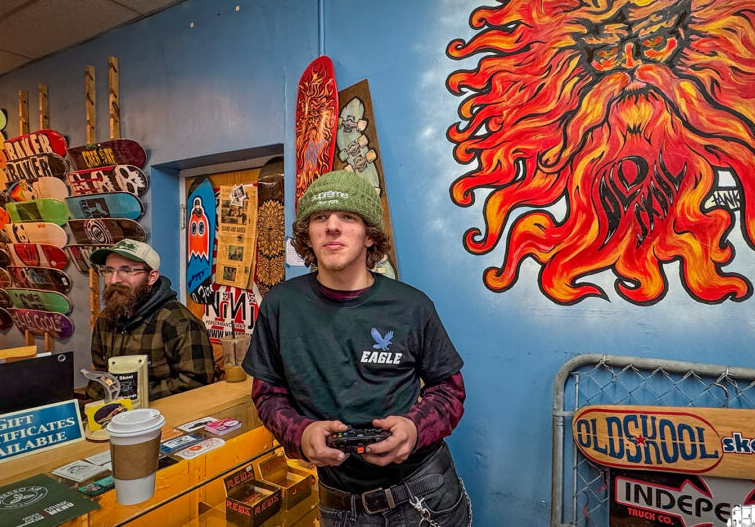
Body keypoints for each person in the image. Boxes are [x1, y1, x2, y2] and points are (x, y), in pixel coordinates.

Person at [243, 171, 470, 526]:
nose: (332, 226)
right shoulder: (280, 306)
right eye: (320, 217)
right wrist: (300, 434)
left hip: (423, 494)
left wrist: (412, 428)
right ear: (308, 235)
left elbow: (449, 391)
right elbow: (267, 394)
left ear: (369, 236)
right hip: (339, 505)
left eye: (348, 217)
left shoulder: (411, 306)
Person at [88, 239, 215, 402]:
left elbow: (196, 383)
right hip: (113, 419)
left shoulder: (178, 322)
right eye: (108, 271)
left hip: (165, 419)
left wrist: (132, 398)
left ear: (151, 277)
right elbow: (100, 373)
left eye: (125, 271)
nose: (113, 280)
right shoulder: (105, 319)